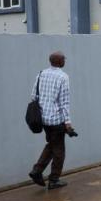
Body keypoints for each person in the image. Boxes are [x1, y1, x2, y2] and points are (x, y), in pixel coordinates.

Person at [28, 51, 75, 190]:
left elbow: (33, 96)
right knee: (59, 151)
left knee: (52, 144)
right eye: (63, 59)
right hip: (56, 120)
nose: (65, 61)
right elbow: (64, 102)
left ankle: (37, 171)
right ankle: (53, 179)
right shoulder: (63, 77)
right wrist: (68, 123)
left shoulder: (41, 74)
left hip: (42, 118)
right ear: (60, 62)